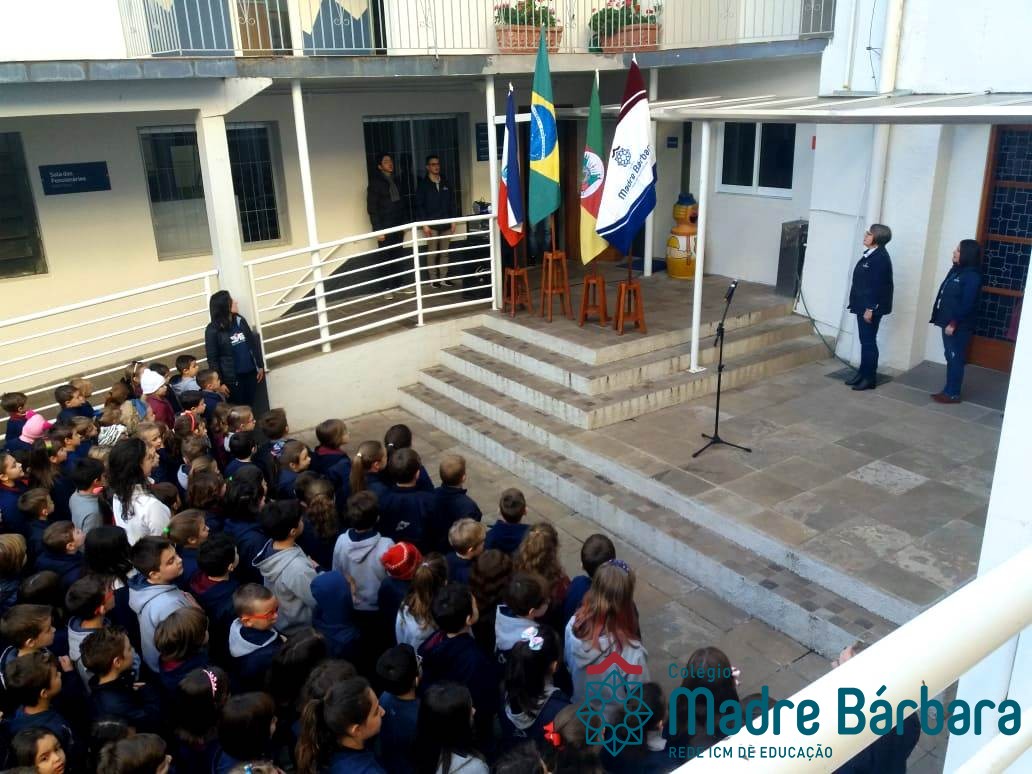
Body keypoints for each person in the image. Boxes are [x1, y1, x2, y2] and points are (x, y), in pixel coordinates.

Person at [930, 239, 983, 404]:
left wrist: (954, 322)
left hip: (958, 325)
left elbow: (968, 303)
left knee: (955, 357)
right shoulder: (956, 270)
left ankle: (953, 393)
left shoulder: (972, 276)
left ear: (967, 254)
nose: (954, 252)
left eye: (958, 250)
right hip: (946, 321)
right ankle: (948, 390)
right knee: (950, 355)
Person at [296, 676, 386, 774]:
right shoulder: (369, 771)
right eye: (376, 712)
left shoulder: (324, 745)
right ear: (356, 730)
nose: (383, 712)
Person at [846, 224, 894, 391]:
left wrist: (870, 308)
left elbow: (879, 286)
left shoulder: (880, 258)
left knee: (868, 342)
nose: (865, 236)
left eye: (869, 234)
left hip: (870, 308)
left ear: (877, 238)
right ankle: (862, 373)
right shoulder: (872, 254)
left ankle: (869, 378)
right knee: (865, 341)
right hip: (863, 304)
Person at [204, 290, 265, 407]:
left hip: (251, 374)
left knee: (250, 406)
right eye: (231, 301)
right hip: (232, 380)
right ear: (224, 306)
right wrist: (220, 383)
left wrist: (259, 365)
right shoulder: (212, 330)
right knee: (238, 410)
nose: (236, 302)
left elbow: (252, 344)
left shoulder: (240, 320)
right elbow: (212, 359)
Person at [108, 438, 171, 545]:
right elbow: (164, 536)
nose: (152, 460)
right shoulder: (152, 506)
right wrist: (169, 528)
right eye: (149, 458)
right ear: (136, 466)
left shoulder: (118, 493)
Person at [367, 153, 410, 301]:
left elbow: (402, 204)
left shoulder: (396, 180)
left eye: (390, 161)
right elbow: (372, 208)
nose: (390, 163)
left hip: (398, 225)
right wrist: (378, 230)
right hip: (384, 227)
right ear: (380, 166)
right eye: (386, 161)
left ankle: (399, 284)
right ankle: (386, 288)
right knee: (385, 258)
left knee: (398, 256)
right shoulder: (375, 183)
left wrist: (405, 223)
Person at [415, 155, 458, 289]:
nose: (436, 166)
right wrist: (424, 224)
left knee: (445, 252)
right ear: (427, 167)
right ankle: (433, 280)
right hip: (431, 225)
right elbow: (419, 206)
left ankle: (444, 278)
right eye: (433, 164)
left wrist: (453, 221)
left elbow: (452, 203)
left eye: (438, 164)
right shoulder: (423, 185)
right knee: (432, 252)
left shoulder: (446, 182)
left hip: (446, 223)